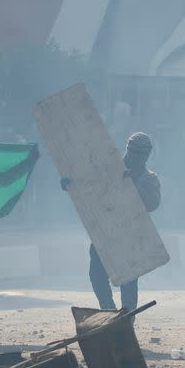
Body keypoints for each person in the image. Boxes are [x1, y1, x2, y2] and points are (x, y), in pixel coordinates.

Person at [62, 132, 161, 312]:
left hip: (131, 235)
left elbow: (152, 203)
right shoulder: (110, 169)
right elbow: (91, 183)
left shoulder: (149, 179)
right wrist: (71, 183)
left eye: (140, 155)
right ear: (127, 150)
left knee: (129, 280)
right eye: (132, 153)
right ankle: (108, 310)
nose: (135, 158)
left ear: (146, 156)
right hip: (106, 230)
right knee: (97, 275)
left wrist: (132, 183)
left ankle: (127, 319)